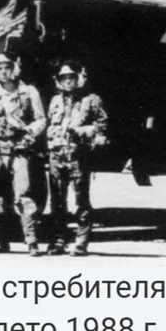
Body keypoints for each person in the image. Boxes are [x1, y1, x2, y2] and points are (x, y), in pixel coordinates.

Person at [0, 51, 47, 257]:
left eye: (7, 67)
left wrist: (29, 133)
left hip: (20, 150)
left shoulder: (29, 91)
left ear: (14, 68)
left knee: (23, 194)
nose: (3, 72)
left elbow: (41, 119)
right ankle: (2, 239)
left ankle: (31, 240)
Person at [46, 61, 107, 257]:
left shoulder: (92, 100)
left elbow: (101, 127)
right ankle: (58, 240)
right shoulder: (55, 101)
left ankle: (81, 241)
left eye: (71, 77)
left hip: (78, 154)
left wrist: (81, 131)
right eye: (63, 78)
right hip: (57, 153)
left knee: (81, 199)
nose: (68, 81)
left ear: (79, 78)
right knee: (57, 200)